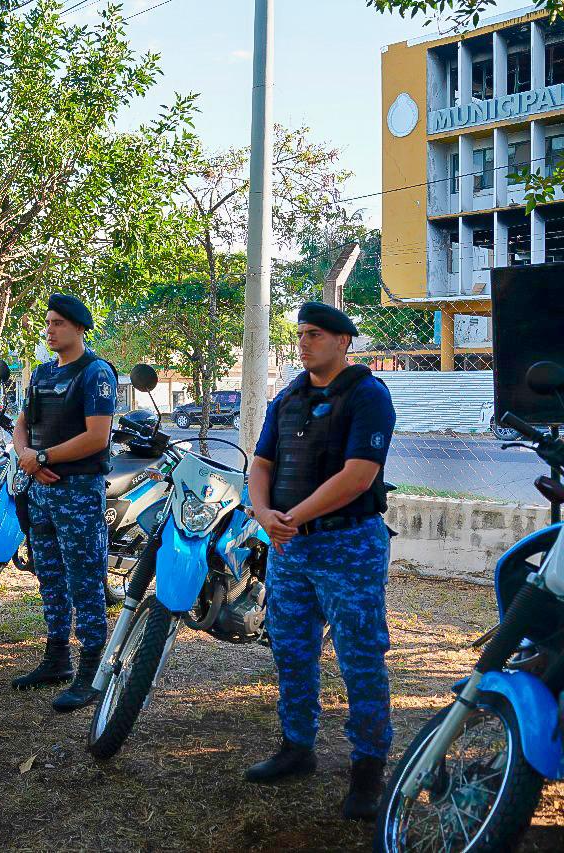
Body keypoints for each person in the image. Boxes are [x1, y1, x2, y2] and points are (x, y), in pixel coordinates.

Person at [245, 301, 397, 822]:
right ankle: (297, 746)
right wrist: (264, 511)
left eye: (315, 334)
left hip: (347, 545)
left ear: (343, 342)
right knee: (291, 648)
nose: (304, 342)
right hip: (291, 548)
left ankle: (369, 767)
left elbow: (359, 475)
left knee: (360, 656)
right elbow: (262, 461)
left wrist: (292, 516)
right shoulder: (288, 396)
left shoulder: (368, 395)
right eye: (302, 334)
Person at [10, 294, 116, 712]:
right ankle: (57, 657)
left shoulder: (96, 373)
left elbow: (97, 437)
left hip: (77, 491)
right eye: (48, 323)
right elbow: (23, 424)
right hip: (40, 489)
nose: (49, 330)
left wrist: (44, 457)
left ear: (77, 328)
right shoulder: (39, 374)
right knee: (50, 577)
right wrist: (27, 458)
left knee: (85, 580)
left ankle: (92, 670)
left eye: (57, 324)